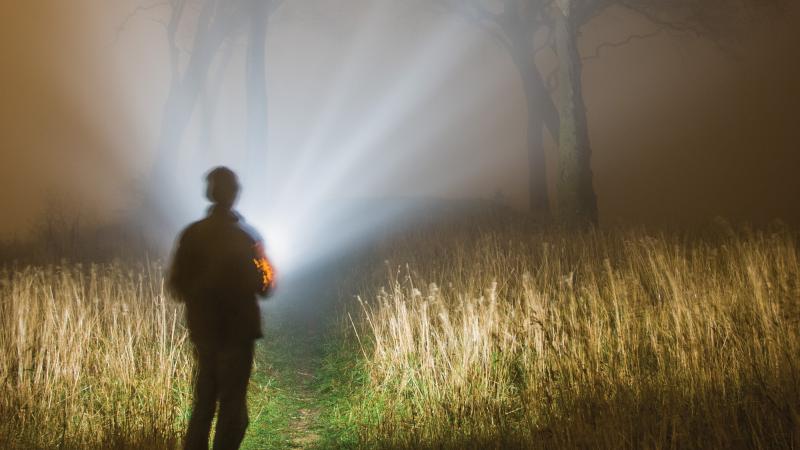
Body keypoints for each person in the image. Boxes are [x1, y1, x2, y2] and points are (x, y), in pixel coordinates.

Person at [168, 166, 275, 450]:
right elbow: (266, 285)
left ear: (209, 192)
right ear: (235, 194)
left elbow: (176, 286)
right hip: (238, 334)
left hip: (204, 333)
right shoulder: (249, 237)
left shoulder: (190, 235)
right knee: (232, 408)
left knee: (203, 405)